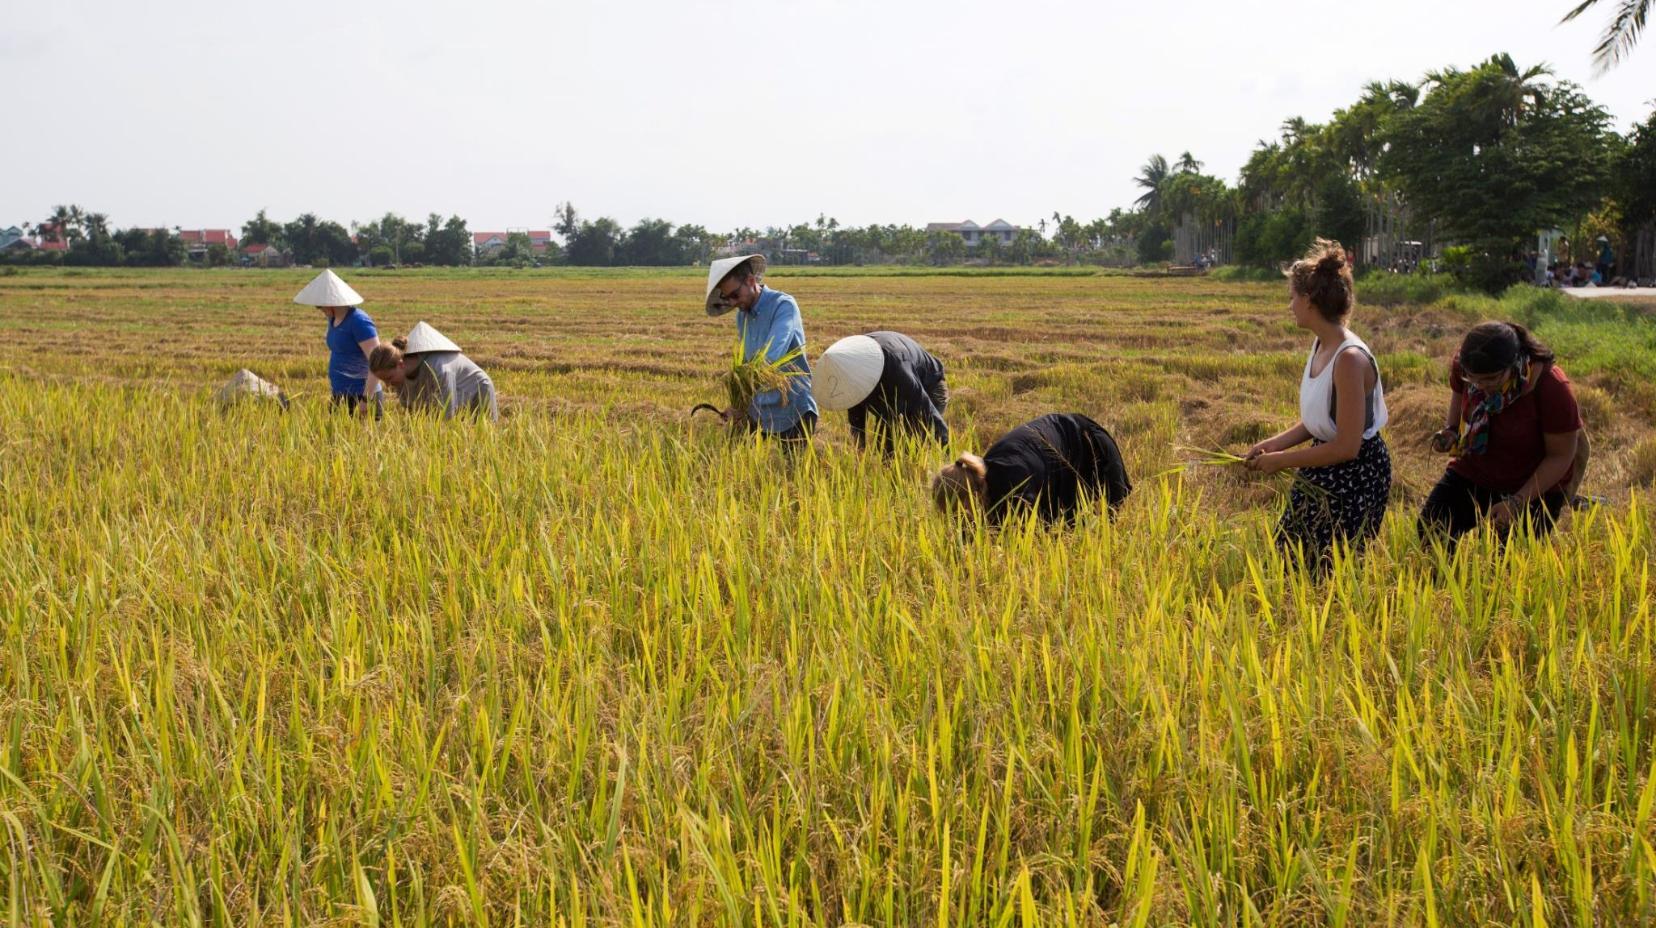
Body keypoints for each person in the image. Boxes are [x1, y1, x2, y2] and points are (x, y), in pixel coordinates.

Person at [1244, 240, 1391, 561]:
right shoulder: (1322, 344)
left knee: (1328, 566)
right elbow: (1322, 420)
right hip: (1322, 464)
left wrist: (1281, 460)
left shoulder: (1349, 359)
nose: (1289, 306)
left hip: (1355, 475)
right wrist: (1273, 444)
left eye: (1292, 298)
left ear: (1309, 301)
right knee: (1288, 556)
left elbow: (1346, 447)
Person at [1419, 321, 1582, 542]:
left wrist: (1516, 502)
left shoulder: (1551, 386)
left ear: (1513, 364)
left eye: (1490, 379)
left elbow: (1561, 455)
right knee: (1431, 529)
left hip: (1533, 485)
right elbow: (1459, 394)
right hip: (1477, 470)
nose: (1480, 385)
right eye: (1473, 379)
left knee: (1502, 562)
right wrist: (1451, 431)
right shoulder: (1465, 367)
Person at [932, 413, 1131, 526]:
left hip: (1091, 446)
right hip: (1062, 455)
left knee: (1108, 519)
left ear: (970, 498)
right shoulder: (988, 471)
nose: (960, 520)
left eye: (959, 513)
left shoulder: (1012, 485)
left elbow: (1042, 531)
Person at [705, 254, 817, 445]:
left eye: (734, 295)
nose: (732, 303)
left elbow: (771, 356)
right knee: (745, 468)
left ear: (750, 281)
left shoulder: (783, 306)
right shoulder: (742, 317)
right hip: (759, 409)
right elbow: (747, 363)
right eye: (726, 298)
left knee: (791, 473)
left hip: (792, 409)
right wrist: (738, 404)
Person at [814, 331, 948, 454]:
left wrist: (950, 453)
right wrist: (860, 447)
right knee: (884, 448)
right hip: (888, 386)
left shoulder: (899, 372)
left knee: (912, 444)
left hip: (929, 385)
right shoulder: (854, 370)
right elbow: (856, 414)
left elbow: (928, 412)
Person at [367, 321, 498, 421]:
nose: (388, 385)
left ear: (400, 365)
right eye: (384, 381)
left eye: (389, 378)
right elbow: (415, 415)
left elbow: (447, 416)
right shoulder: (400, 380)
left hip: (476, 391)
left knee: (482, 437)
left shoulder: (438, 369)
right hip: (450, 399)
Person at [294, 269, 381, 414]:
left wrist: (366, 400)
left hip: (361, 395)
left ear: (330, 304)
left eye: (320, 306)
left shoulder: (359, 322)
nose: (318, 309)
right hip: (339, 393)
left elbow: (378, 362)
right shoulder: (332, 319)